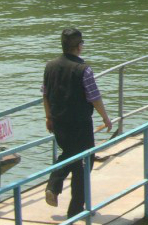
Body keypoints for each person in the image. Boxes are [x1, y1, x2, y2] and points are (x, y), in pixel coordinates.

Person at [43, 29, 111, 219]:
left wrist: (48, 117)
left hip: (58, 121)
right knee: (84, 162)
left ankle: (63, 195)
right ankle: (66, 199)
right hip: (80, 123)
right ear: (79, 46)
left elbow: (45, 94)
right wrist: (105, 117)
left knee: (71, 155)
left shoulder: (50, 66)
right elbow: (94, 97)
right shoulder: (84, 70)